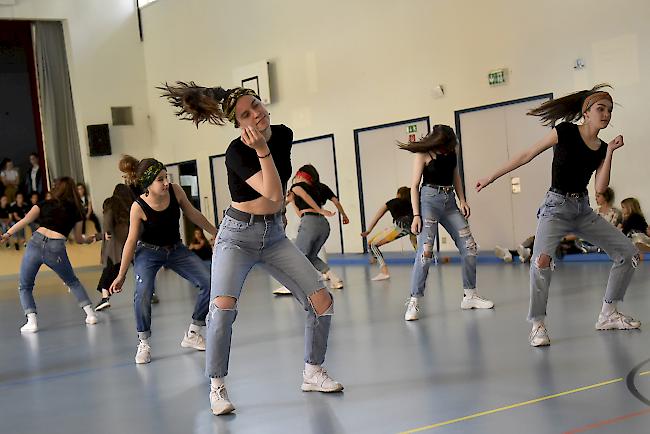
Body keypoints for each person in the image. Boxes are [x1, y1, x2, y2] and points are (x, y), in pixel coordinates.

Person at [160, 82, 343, 416]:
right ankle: (217, 386)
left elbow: (278, 195)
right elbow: (274, 194)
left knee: (322, 301)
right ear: (238, 124)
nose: (256, 114)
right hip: (236, 236)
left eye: (256, 105)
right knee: (223, 307)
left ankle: (313, 371)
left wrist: (267, 149)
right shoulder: (236, 151)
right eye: (245, 114)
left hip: (273, 235)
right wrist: (260, 150)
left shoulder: (284, 134)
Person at [476, 84, 641, 347]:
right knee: (541, 261)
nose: (607, 114)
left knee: (629, 253)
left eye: (609, 110)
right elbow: (527, 154)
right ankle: (537, 324)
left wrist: (609, 152)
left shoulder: (600, 147)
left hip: (583, 209)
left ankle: (608, 314)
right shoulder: (565, 131)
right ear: (586, 113)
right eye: (601, 109)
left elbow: (600, 188)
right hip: (556, 207)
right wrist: (491, 176)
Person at [109, 155, 217, 364]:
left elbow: (192, 213)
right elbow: (131, 241)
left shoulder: (175, 191)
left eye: (166, 177)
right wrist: (121, 274)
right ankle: (144, 342)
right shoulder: (138, 207)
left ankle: (193, 333)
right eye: (160, 179)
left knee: (209, 282)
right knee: (143, 293)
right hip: (148, 252)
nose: (166, 182)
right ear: (148, 183)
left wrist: (215, 231)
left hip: (176, 249)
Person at [401, 124, 494, 321]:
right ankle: (414, 300)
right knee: (425, 252)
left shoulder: (452, 151)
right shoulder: (423, 154)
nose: (450, 146)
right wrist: (416, 215)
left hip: (450, 202)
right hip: (429, 201)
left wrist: (462, 200)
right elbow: (414, 186)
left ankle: (470, 296)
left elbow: (455, 176)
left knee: (469, 246)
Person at [0, 177, 98, 333]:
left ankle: (31, 321)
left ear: (56, 189)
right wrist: (90, 239)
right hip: (56, 247)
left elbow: (25, 220)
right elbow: (79, 239)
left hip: (35, 244)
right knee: (72, 281)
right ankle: (91, 315)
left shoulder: (44, 204)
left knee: (25, 285)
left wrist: (7, 234)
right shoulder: (77, 210)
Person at [282, 164, 347, 290]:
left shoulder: (297, 187)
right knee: (310, 256)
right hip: (323, 225)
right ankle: (334, 279)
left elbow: (304, 202)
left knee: (297, 254)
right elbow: (336, 202)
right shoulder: (321, 187)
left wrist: (319, 210)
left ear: (300, 175)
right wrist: (344, 215)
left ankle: (290, 286)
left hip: (310, 222)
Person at [94, 184, 136, 311]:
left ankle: (105, 297)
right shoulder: (131, 205)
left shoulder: (110, 203)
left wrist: (106, 232)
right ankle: (150, 292)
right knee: (136, 267)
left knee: (109, 269)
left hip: (114, 242)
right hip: (129, 241)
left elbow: (107, 219)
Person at [361, 186, 417, 280]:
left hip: (400, 226)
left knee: (372, 245)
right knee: (414, 241)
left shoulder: (392, 202)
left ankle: (384, 271)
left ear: (398, 194)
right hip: (412, 225)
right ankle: (424, 263)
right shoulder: (411, 203)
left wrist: (369, 230)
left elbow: (378, 216)